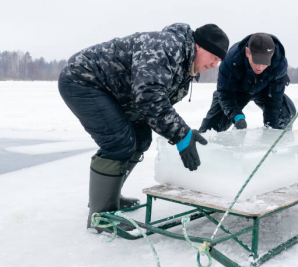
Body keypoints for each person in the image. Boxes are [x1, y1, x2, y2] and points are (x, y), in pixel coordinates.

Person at [58, 23, 229, 231]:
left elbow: (156, 101)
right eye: (214, 57)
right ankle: (101, 216)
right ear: (199, 47)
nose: (215, 65)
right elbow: (149, 97)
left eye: (219, 61)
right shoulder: (167, 47)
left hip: (116, 93)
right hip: (83, 81)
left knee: (140, 137)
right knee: (118, 142)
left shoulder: (185, 64)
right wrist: (181, 134)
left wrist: (178, 132)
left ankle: (108, 197)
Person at [199, 33, 296, 132]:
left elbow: (275, 98)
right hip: (237, 90)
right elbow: (225, 93)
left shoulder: (279, 63)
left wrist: (272, 128)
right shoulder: (232, 59)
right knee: (212, 127)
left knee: (284, 113)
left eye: (264, 63)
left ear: (272, 55)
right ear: (247, 52)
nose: (259, 67)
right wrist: (237, 116)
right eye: (256, 61)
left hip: (265, 90)